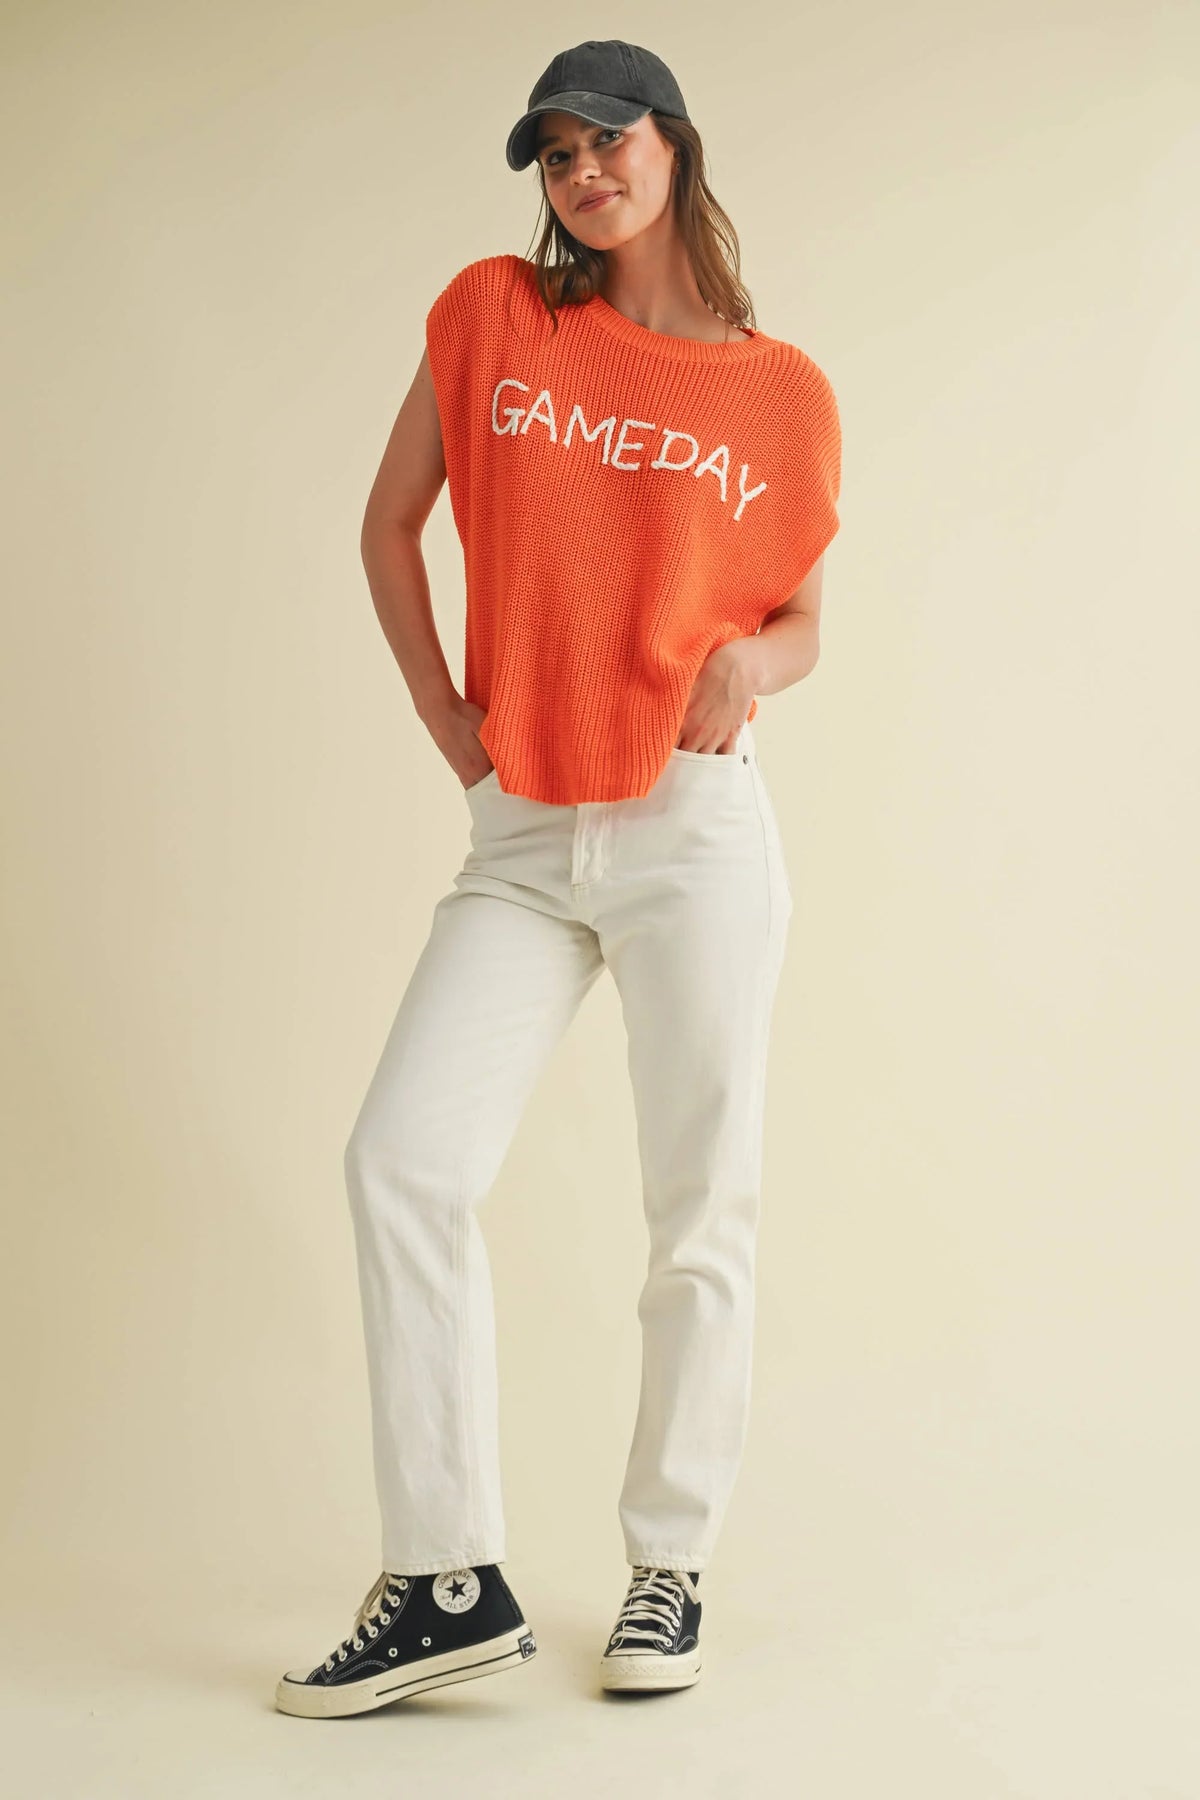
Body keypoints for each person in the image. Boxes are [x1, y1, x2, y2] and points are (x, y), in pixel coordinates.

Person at [275, 37, 842, 1719]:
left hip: (693, 826)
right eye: (556, 152)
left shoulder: (780, 392)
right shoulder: (495, 320)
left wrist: (751, 667)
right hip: (521, 833)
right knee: (401, 1160)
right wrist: (446, 720)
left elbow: (803, 621)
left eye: (609, 140)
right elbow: (388, 525)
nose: (582, 171)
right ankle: (446, 1577)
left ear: (675, 147)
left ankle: (670, 1562)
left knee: (699, 1202)